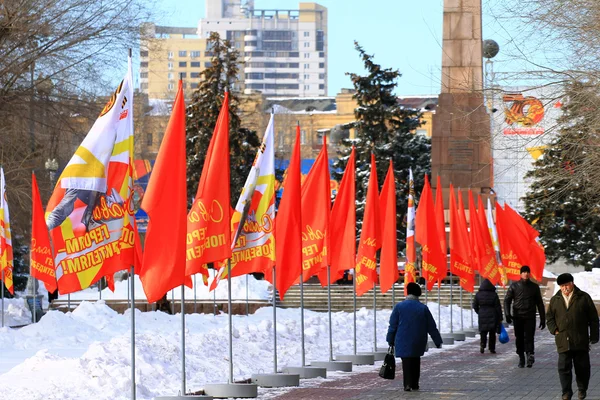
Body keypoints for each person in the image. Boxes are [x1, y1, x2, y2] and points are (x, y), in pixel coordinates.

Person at [547, 273, 599, 400]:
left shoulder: (583, 297)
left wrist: (594, 335)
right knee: (563, 368)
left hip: (580, 339)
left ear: (572, 283)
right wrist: (555, 330)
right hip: (563, 340)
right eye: (562, 286)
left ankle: (582, 389)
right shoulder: (555, 299)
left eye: (567, 285)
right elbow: (550, 318)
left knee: (582, 368)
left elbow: (593, 319)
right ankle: (566, 392)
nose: (565, 288)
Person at [386, 282, 443, 392]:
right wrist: (437, 340)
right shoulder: (423, 308)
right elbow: (431, 326)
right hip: (418, 339)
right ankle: (415, 383)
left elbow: (393, 325)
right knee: (416, 361)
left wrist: (390, 339)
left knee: (406, 362)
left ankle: (407, 384)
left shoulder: (399, 307)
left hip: (402, 339)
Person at [504, 265, 546, 368]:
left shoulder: (534, 287)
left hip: (530, 316)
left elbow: (539, 303)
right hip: (518, 317)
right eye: (524, 272)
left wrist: (542, 318)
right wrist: (507, 314)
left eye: (527, 272)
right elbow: (507, 300)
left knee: (529, 337)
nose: (526, 274)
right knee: (519, 338)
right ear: (520, 274)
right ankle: (521, 357)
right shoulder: (514, 286)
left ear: (529, 273)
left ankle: (530, 355)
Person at [473, 278, 503, 354]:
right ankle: (492, 348)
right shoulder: (494, 294)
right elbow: (498, 307)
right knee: (492, 332)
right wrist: (500, 317)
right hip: (493, 314)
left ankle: (482, 344)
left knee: (483, 332)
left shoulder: (478, 294)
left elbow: (475, 305)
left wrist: (479, 312)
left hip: (482, 313)